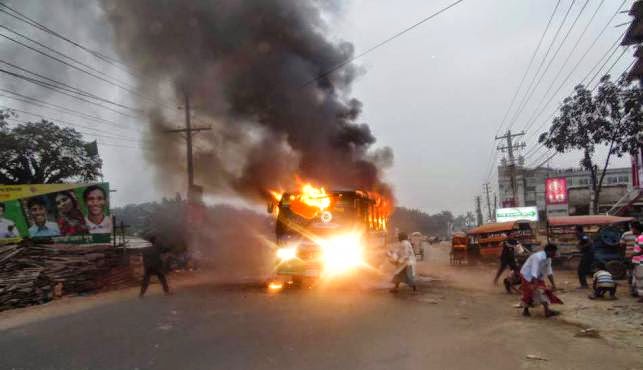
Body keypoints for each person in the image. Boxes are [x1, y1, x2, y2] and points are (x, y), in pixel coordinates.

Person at [520, 243, 562, 318]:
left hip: (538, 276)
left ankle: (547, 311)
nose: (555, 253)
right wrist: (535, 285)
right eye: (554, 251)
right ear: (549, 251)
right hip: (527, 275)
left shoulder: (549, 258)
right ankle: (525, 310)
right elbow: (534, 271)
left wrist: (554, 285)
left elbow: (549, 272)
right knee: (528, 292)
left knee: (543, 292)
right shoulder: (537, 257)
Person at [632, 233, 643, 302]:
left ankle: (642, 296)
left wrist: (633, 254)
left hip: (640, 262)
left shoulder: (641, 237)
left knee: (640, 279)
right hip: (639, 261)